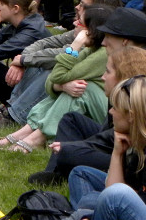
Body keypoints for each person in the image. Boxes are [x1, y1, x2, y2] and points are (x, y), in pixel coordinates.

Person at [0, 75, 146, 220]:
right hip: (128, 214)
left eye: (115, 108)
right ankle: (73, 217)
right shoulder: (134, 144)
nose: (110, 112)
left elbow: (120, 198)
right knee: (81, 176)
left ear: (131, 116)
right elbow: (58, 74)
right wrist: (117, 153)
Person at [0, 0, 123, 132]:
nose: (77, 7)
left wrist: (23, 60)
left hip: (94, 101)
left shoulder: (99, 44)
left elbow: (60, 63)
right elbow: (44, 43)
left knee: (46, 66)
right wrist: (23, 59)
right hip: (62, 87)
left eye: (83, 5)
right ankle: (10, 110)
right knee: (25, 61)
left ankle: (15, 117)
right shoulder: (86, 32)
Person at [0, 5, 112, 153]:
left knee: (81, 89)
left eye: (79, 22)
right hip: (95, 105)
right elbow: (54, 78)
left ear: (91, 30)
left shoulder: (102, 54)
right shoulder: (91, 48)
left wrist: (75, 46)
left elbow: (59, 75)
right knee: (71, 87)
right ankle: (26, 133)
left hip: (108, 115)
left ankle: (36, 138)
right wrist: (60, 86)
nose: (74, 23)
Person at [29, 40, 146, 188]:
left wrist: (74, 147)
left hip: (123, 154)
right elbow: (54, 79)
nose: (103, 77)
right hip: (113, 144)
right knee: (71, 119)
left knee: (68, 153)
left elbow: (110, 137)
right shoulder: (93, 51)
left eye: (108, 72)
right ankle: (55, 173)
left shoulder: (130, 101)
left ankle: (56, 157)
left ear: (123, 75)